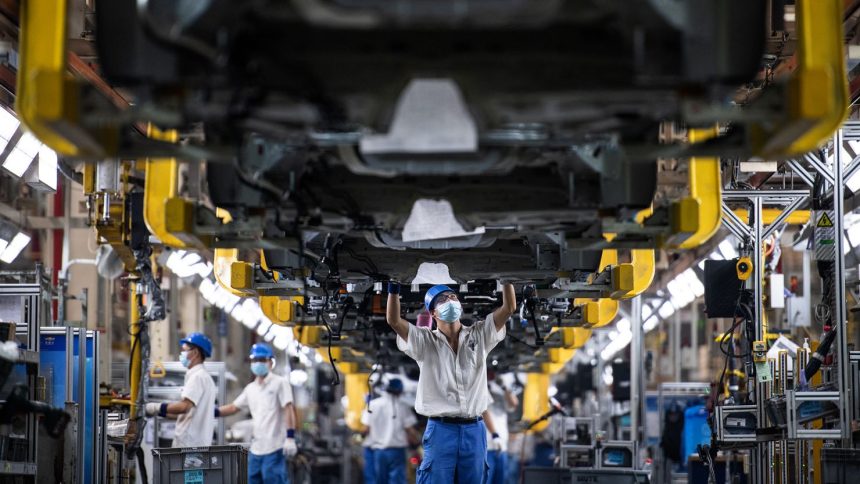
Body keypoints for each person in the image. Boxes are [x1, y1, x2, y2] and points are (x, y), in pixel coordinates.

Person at [386, 281, 516, 484]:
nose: (450, 300)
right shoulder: (424, 341)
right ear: (433, 313)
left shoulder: (479, 335)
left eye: (453, 297)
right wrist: (393, 289)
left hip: (475, 429)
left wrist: (508, 279)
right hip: (440, 429)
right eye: (442, 300)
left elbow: (509, 308)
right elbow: (394, 320)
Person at [216, 343, 298, 484]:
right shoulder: (250, 389)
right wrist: (210, 412)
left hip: (275, 446)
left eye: (262, 360)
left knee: (273, 479)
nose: (258, 363)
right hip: (256, 449)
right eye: (255, 360)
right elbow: (233, 408)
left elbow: (288, 409)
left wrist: (290, 437)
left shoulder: (280, 383)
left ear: (270, 362)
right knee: (252, 480)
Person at [146, 332, 217, 447]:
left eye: (185, 350)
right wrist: (160, 412)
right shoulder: (203, 377)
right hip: (196, 445)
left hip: (190, 446)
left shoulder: (197, 377)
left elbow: (184, 407)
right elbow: (189, 414)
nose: (182, 354)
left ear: (195, 353)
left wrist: (155, 406)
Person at [361, 378, 420, 484]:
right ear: (399, 391)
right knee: (397, 480)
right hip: (397, 451)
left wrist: (360, 438)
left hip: (378, 451)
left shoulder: (372, 405)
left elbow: (365, 430)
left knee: (378, 480)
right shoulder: (403, 407)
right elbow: (410, 430)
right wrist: (416, 445)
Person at [481, 375, 519, 484]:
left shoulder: (500, 391)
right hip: (487, 447)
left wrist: (504, 387)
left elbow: (514, 403)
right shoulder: (481, 388)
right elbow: (484, 412)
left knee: (501, 480)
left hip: (501, 447)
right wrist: (494, 434)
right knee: (486, 480)